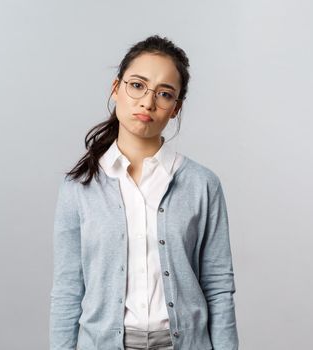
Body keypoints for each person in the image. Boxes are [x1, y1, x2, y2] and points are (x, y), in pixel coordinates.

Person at [49, 34, 239, 350]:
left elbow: (218, 286)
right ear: (116, 88)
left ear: (176, 108)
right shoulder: (79, 187)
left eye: (165, 94)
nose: (148, 102)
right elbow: (68, 288)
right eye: (137, 85)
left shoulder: (202, 184)